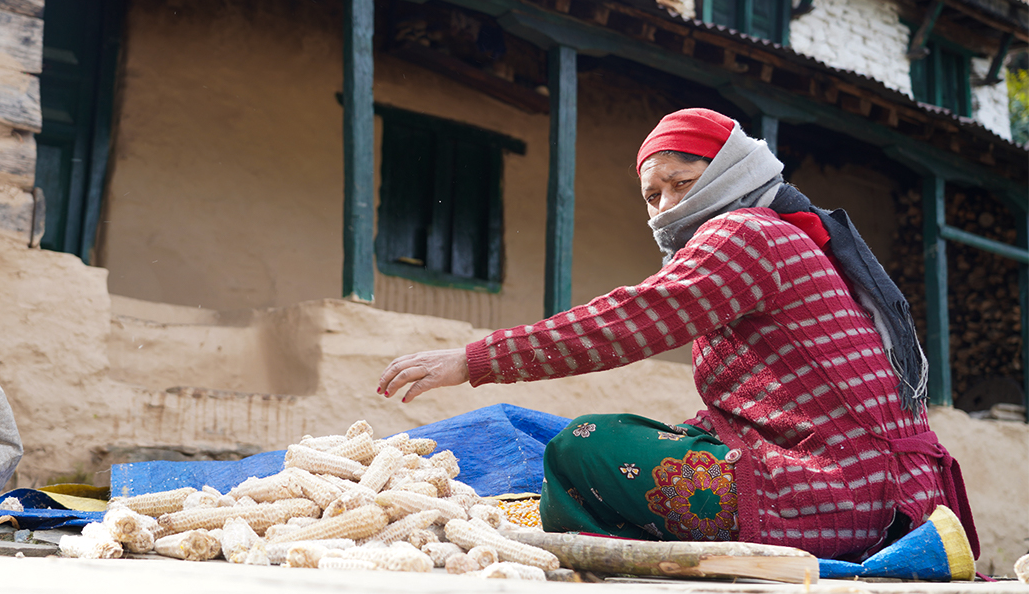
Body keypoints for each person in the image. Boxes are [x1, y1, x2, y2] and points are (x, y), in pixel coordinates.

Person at [377, 108, 978, 561]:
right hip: (874, 491)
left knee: (581, 443)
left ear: (729, 173)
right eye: (651, 195)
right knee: (620, 435)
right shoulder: (774, 233)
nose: (663, 207)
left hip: (839, 496)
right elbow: (761, 403)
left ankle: (591, 553)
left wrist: (477, 359)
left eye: (682, 184)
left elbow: (632, 319)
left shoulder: (745, 232)